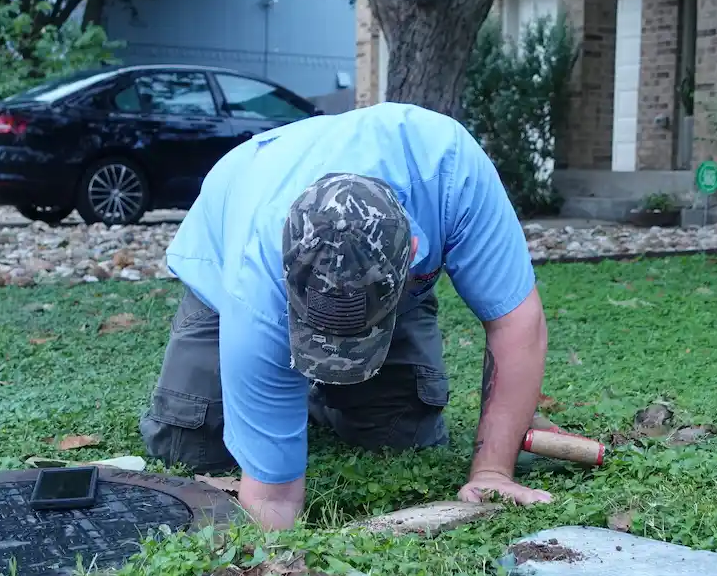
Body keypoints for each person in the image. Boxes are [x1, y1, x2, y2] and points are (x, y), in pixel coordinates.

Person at [140, 101, 552, 530]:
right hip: (231, 226)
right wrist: (276, 553)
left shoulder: (452, 172)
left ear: (411, 252)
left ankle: (320, 400)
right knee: (190, 440)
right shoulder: (254, 272)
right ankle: (291, 397)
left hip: (394, 292)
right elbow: (272, 499)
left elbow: (516, 322)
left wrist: (492, 473)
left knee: (402, 435)